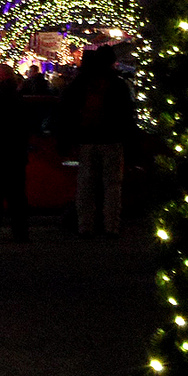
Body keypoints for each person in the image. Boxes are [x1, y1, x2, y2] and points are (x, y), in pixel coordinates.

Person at [56, 46, 136, 237]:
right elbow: (126, 115)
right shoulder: (117, 84)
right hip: (111, 140)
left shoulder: (80, 83)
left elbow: (66, 111)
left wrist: (66, 139)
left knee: (85, 185)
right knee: (112, 186)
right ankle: (111, 226)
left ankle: (85, 226)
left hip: (86, 139)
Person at [0, 63, 30, 242]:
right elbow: (24, 127)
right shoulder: (17, 97)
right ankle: (20, 232)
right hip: (15, 153)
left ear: (0, 76)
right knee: (16, 195)